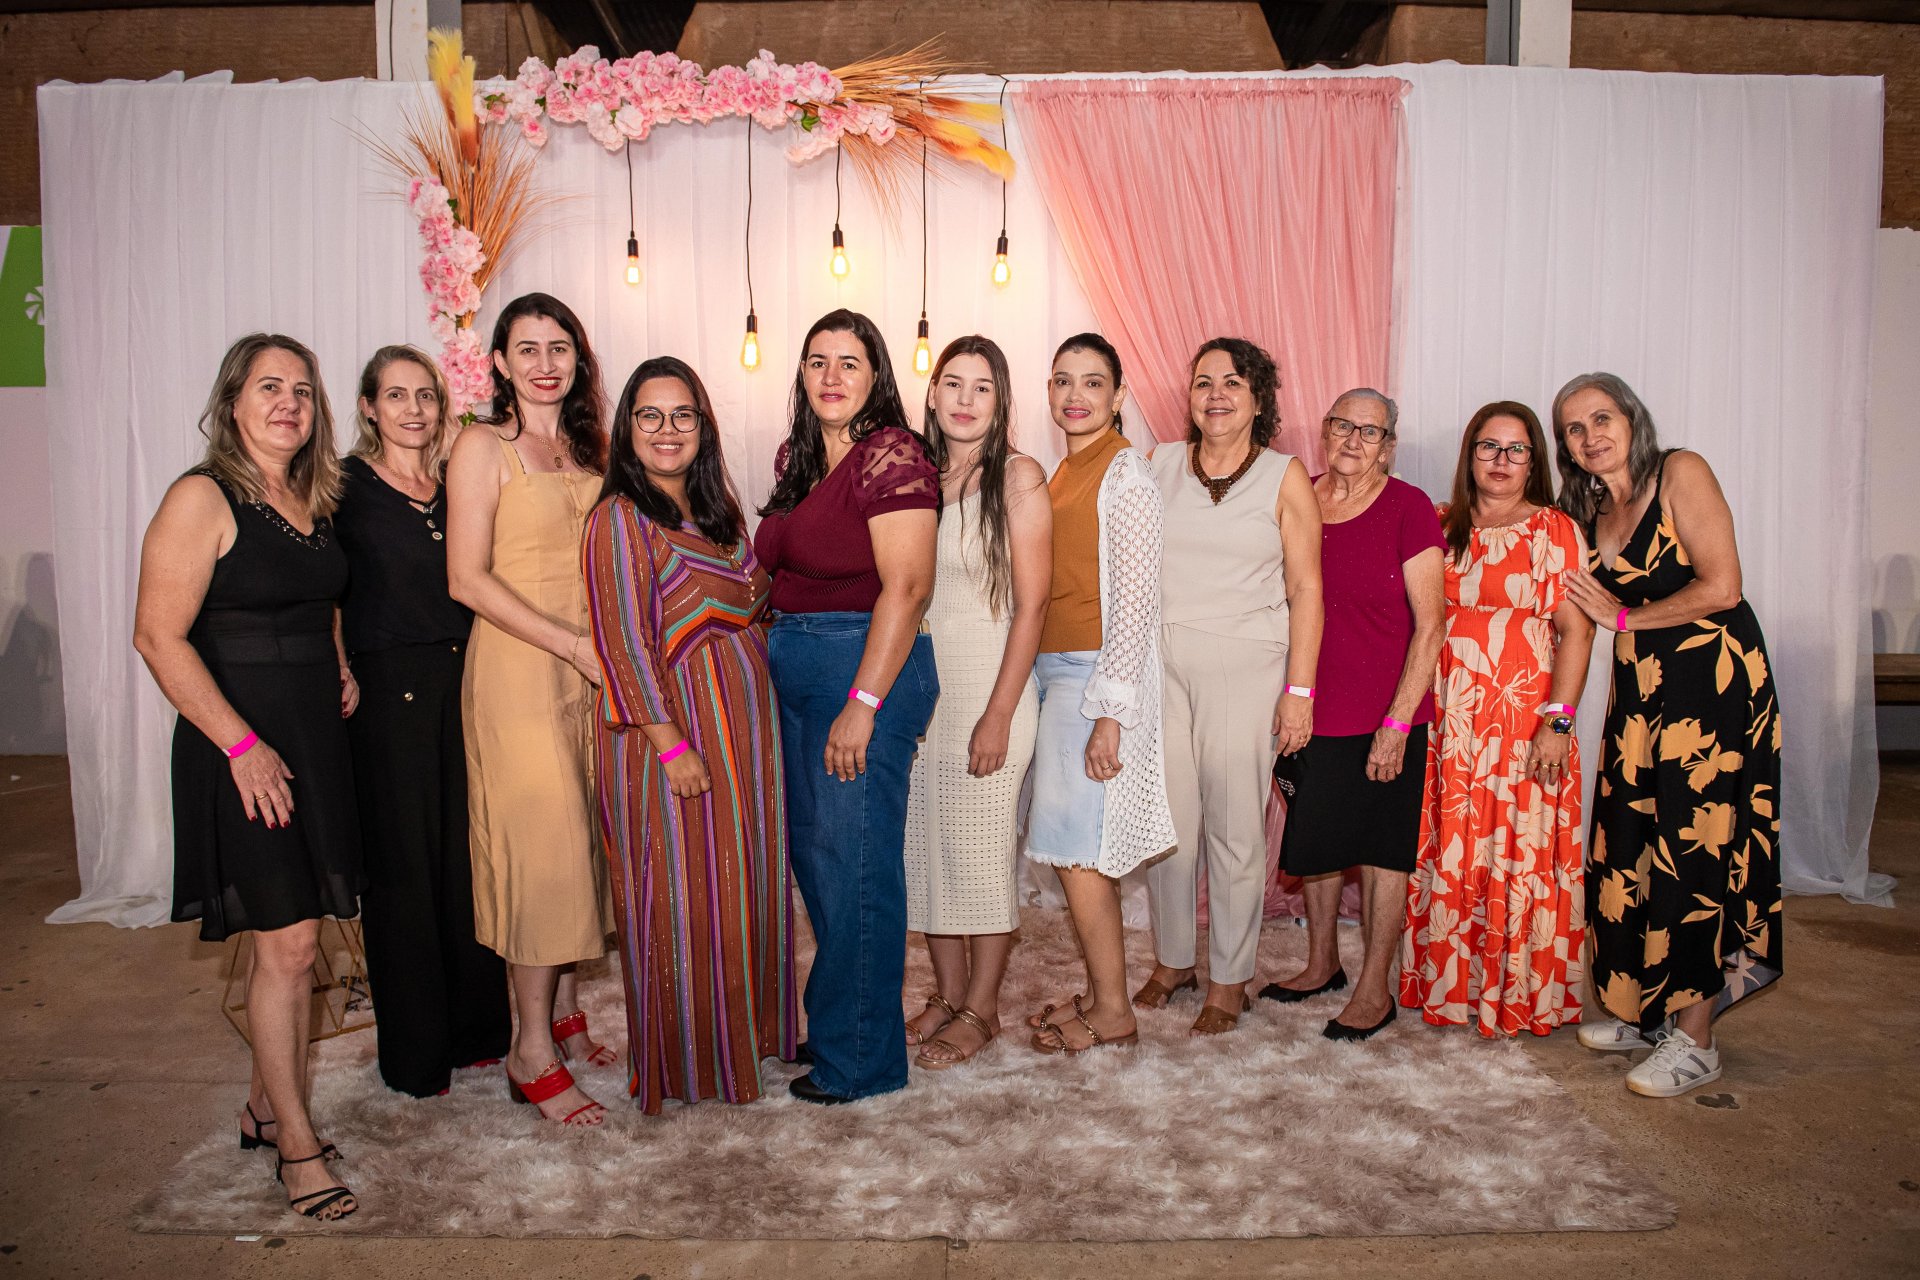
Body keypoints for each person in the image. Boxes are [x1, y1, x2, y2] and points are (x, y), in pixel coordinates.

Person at [133, 333, 361, 1220]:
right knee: (289, 944)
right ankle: (296, 1147)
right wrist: (241, 747)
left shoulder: (309, 497)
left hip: (312, 738)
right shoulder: (202, 497)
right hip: (242, 748)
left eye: (301, 390)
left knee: (303, 931)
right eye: (269, 387)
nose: (288, 404)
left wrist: (337, 660)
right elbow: (158, 637)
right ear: (232, 402)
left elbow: (319, 597)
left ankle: (264, 1108)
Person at [1554, 372, 1782, 1097]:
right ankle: (1644, 1011)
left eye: (1602, 418)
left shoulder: (1681, 471)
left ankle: (1696, 1040)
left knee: (1694, 853)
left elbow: (1722, 586)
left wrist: (1622, 617)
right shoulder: (1591, 507)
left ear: (1632, 418)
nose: (1590, 436)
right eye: (1574, 428)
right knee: (1627, 844)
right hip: (1641, 696)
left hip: (1711, 690)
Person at [582, 356, 797, 1112]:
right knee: (681, 895)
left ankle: (747, 1040)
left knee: (741, 886)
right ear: (626, 429)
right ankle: (688, 1062)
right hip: (670, 736)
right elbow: (622, 645)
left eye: (683, 415)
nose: (667, 430)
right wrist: (670, 744)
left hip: (745, 734)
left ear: (702, 428)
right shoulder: (618, 519)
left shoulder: (717, 514)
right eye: (650, 415)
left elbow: (757, 604)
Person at [754, 309, 940, 1104]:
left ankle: (863, 1059)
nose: (831, 377)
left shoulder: (892, 454)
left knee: (855, 865)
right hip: (799, 665)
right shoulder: (797, 456)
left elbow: (909, 586)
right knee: (819, 863)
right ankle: (844, 1024)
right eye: (817, 361)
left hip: (863, 667)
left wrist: (863, 702)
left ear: (876, 376)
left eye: (849, 363)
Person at [446, 292, 614, 1126]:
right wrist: (569, 644)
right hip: (519, 667)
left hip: (591, 670)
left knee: (583, 838)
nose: (545, 364)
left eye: (559, 348)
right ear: (500, 363)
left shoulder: (587, 447)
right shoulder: (483, 447)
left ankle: (567, 1014)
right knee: (542, 852)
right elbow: (465, 579)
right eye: (527, 349)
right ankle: (530, 1049)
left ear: (578, 360)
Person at [1137, 338, 1324, 1037]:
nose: (1216, 394)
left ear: (1258, 398)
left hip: (1246, 664)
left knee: (1235, 827)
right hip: (1161, 661)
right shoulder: (1155, 464)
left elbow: (1307, 589)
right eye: (1203, 382)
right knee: (1167, 826)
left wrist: (1299, 690)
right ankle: (1173, 960)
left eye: (1233, 383)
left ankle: (1230, 976)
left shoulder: (1283, 476)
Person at [336, 344, 510, 1097]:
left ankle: (479, 1033)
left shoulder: (451, 485)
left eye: (426, 396)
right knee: (403, 871)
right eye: (396, 395)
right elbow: (323, 588)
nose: (413, 409)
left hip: (464, 681)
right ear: (369, 407)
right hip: (386, 693)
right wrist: (336, 663)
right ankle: (415, 1056)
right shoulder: (342, 487)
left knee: (467, 861)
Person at [1399, 401, 1593, 1037]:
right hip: (1449, 722)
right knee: (1452, 843)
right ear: (1470, 454)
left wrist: (1558, 724)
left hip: (1522, 721)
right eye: (1489, 446)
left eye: (1516, 449)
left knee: (1516, 850)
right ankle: (1451, 987)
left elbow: (1577, 632)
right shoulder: (1439, 523)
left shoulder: (1554, 530)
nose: (1502, 460)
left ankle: (1514, 993)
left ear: (1535, 461)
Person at [1258, 390, 1443, 1041]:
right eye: (1343, 425)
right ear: (1325, 430)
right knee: (1318, 842)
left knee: (1383, 852)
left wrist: (1397, 724)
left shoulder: (1409, 507)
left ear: (1388, 445)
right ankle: (1322, 965)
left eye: (1370, 431)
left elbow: (1431, 626)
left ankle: (1374, 989)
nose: (1353, 440)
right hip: (1309, 708)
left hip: (1387, 715)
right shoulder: (1300, 496)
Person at [1024, 333, 1176, 1055]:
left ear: (1118, 396)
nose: (1075, 395)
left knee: (1077, 849)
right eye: (1063, 381)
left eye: (1092, 382)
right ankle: (1100, 992)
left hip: (1090, 676)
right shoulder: (1064, 472)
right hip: (1055, 670)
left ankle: (1114, 1010)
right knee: (1068, 844)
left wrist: (1111, 713)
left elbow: (1137, 603)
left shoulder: (1126, 475)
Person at [903, 336, 1050, 1070]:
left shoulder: (1018, 476)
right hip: (924, 690)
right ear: (932, 394)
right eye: (953, 384)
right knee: (927, 846)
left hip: (993, 684)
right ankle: (948, 993)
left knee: (982, 849)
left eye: (982, 387)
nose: (965, 399)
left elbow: (1032, 606)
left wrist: (999, 713)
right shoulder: (915, 479)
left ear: (1001, 401)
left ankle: (983, 1008)